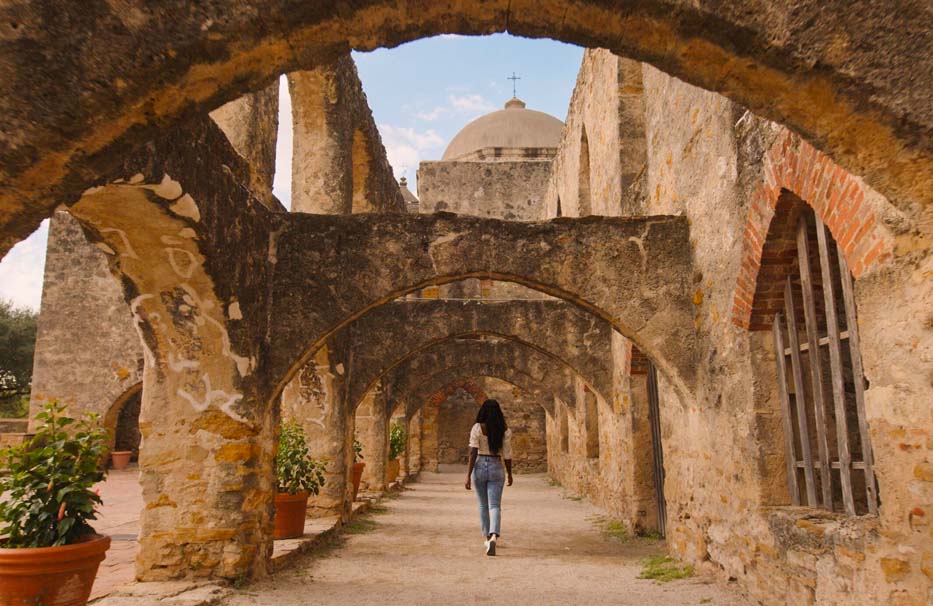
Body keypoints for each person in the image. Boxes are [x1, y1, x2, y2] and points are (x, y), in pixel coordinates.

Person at [464, 399, 513, 556]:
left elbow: (473, 452)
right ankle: (494, 536)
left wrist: (468, 475)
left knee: (483, 505)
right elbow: (507, 454)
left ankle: (486, 537)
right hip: (496, 466)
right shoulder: (504, 430)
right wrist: (510, 473)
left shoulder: (477, 427)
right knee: (495, 505)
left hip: (479, 464)